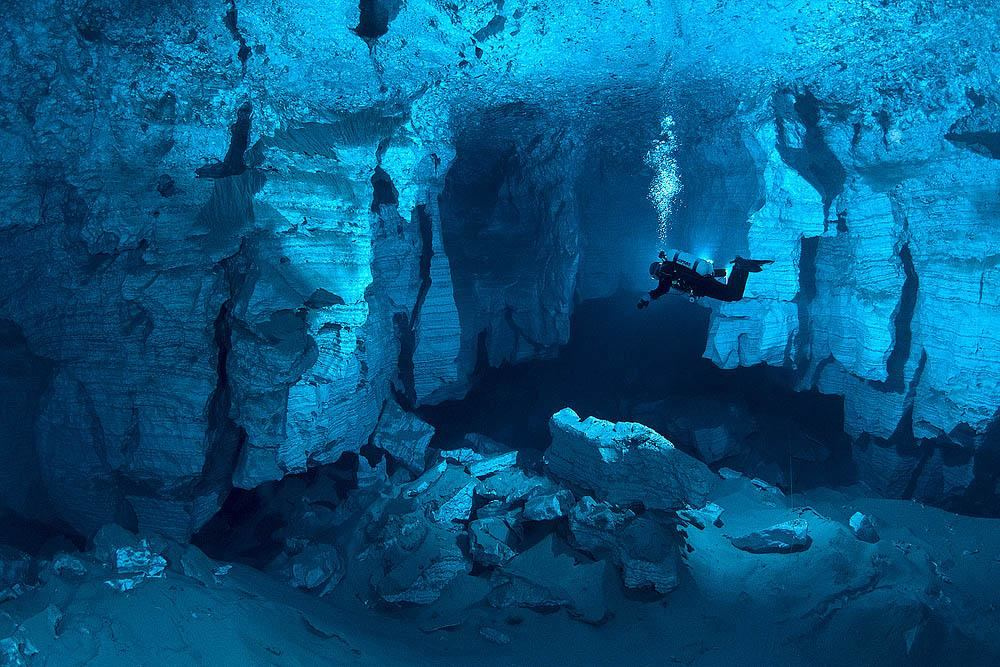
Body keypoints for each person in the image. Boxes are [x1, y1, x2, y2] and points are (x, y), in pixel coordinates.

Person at [637, 249, 773, 308]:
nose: (658, 279)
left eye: (656, 278)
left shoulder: (665, 271)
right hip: (702, 280)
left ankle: (740, 266)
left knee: (732, 294)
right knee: (732, 294)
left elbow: (662, 288)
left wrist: (646, 298)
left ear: (656, 273)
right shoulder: (671, 266)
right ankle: (742, 267)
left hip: (701, 285)